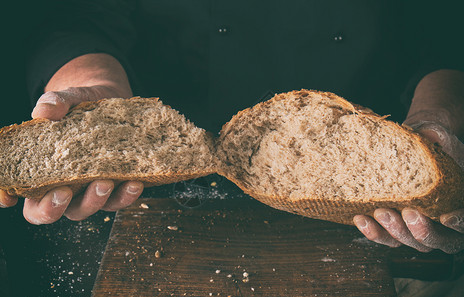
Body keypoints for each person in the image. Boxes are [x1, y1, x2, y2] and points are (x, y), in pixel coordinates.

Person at [1, 0, 463, 257]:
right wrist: (91, 85)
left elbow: (442, 25)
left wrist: (438, 119)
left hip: (372, 228)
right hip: (145, 213)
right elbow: (78, 15)